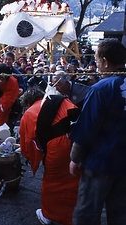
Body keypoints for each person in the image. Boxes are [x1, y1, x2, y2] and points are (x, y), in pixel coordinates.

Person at [69, 38, 126, 225]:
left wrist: (75, 158)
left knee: (86, 216)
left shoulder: (100, 89)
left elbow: (87, 129)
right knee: (120, 216)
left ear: (105, 61)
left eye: (97, 60)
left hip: (100, 164)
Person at [19, 86, 80, 225]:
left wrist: (35, 158)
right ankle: (79, 213)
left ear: (27, 103)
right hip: (78, 141)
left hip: (57, 147)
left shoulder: (29, 113)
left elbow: (28, 144)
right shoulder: (61, 100)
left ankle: (49, 215)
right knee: (76, 178)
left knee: (53, 182)